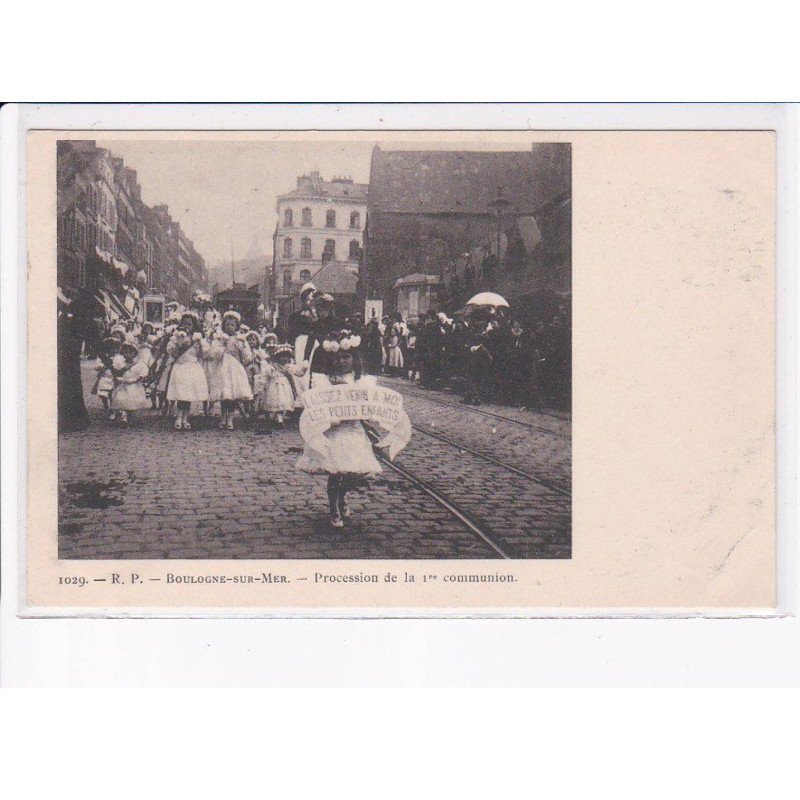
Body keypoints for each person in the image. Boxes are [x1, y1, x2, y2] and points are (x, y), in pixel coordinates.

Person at [296, 330, 382, 528]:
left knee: (352, 471)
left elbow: (366, 405)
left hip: (353, 430)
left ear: (354, 359)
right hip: (335, 432)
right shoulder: (325, 381)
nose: (342, 362)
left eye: (347, 357)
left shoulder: (359, 381)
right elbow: (318, 405)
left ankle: (342, 498)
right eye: (338, 358)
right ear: (331, 360)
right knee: (336, 471)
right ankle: (334, 507)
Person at [207, 310, 254, 430]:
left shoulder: (240, 339)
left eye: (233, 325)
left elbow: (247, 355)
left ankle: (230, 419)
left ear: (237, 326)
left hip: (235, 367)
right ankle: (223, 418)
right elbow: (214, 354)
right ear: (224, 326)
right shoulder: (220, 338)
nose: (230, 327)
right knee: (225, 394)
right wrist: (222, 343)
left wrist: (242, 345)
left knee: (233, 396)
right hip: (223, 367)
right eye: (227, 325)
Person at [166, 312, 210, 430]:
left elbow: (202, 355)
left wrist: (199, 343)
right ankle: (179, 417)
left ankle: (185, 418)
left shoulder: (197, 339)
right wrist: (180, 344)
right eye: (184, 324)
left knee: (188, 394)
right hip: (181, 366)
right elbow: (173, 353)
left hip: (192, 367)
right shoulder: (176, 337)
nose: (187, 326)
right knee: (181, 393)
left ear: (194, 326)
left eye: (189, 324)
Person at [260, 344, 307, 426]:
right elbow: (267, 376)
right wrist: (263, 385)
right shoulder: (272, 367)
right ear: (277, 357)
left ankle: (279, 418)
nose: (285, 358)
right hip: (274, 386)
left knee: (282, 401)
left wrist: (304, 368)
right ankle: (278, 418)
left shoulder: (289, 367)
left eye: (287, 356)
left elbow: (299, 373)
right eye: (282, 356)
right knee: (276, 401)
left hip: (285, 386)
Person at [110, 338, 150, 424]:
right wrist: (118, 379)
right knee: (121, 399)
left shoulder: (139, 363)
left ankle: (129, 415)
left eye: (130, 353)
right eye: (125, 352)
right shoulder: (120, 363)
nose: (128, 355)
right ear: (122, 353)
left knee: (131, 400)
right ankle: (124, 415)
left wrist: (136, 379)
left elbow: (143, 373)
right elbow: (116, 372)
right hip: (123, 383)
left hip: (133, 384)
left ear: (135, 354)